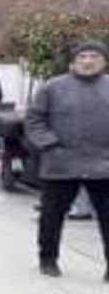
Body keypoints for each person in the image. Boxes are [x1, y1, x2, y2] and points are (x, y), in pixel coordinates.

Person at [25, 39, 109, 279]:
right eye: (82, 57)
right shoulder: (52, 87)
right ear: (72, 63)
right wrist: (50, 144)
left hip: (104, 164)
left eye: (94, 56)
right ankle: (48, 259)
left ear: (104, 62)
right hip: (61, 162)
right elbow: (34, 120)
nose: (88, 61)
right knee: (51, 215)